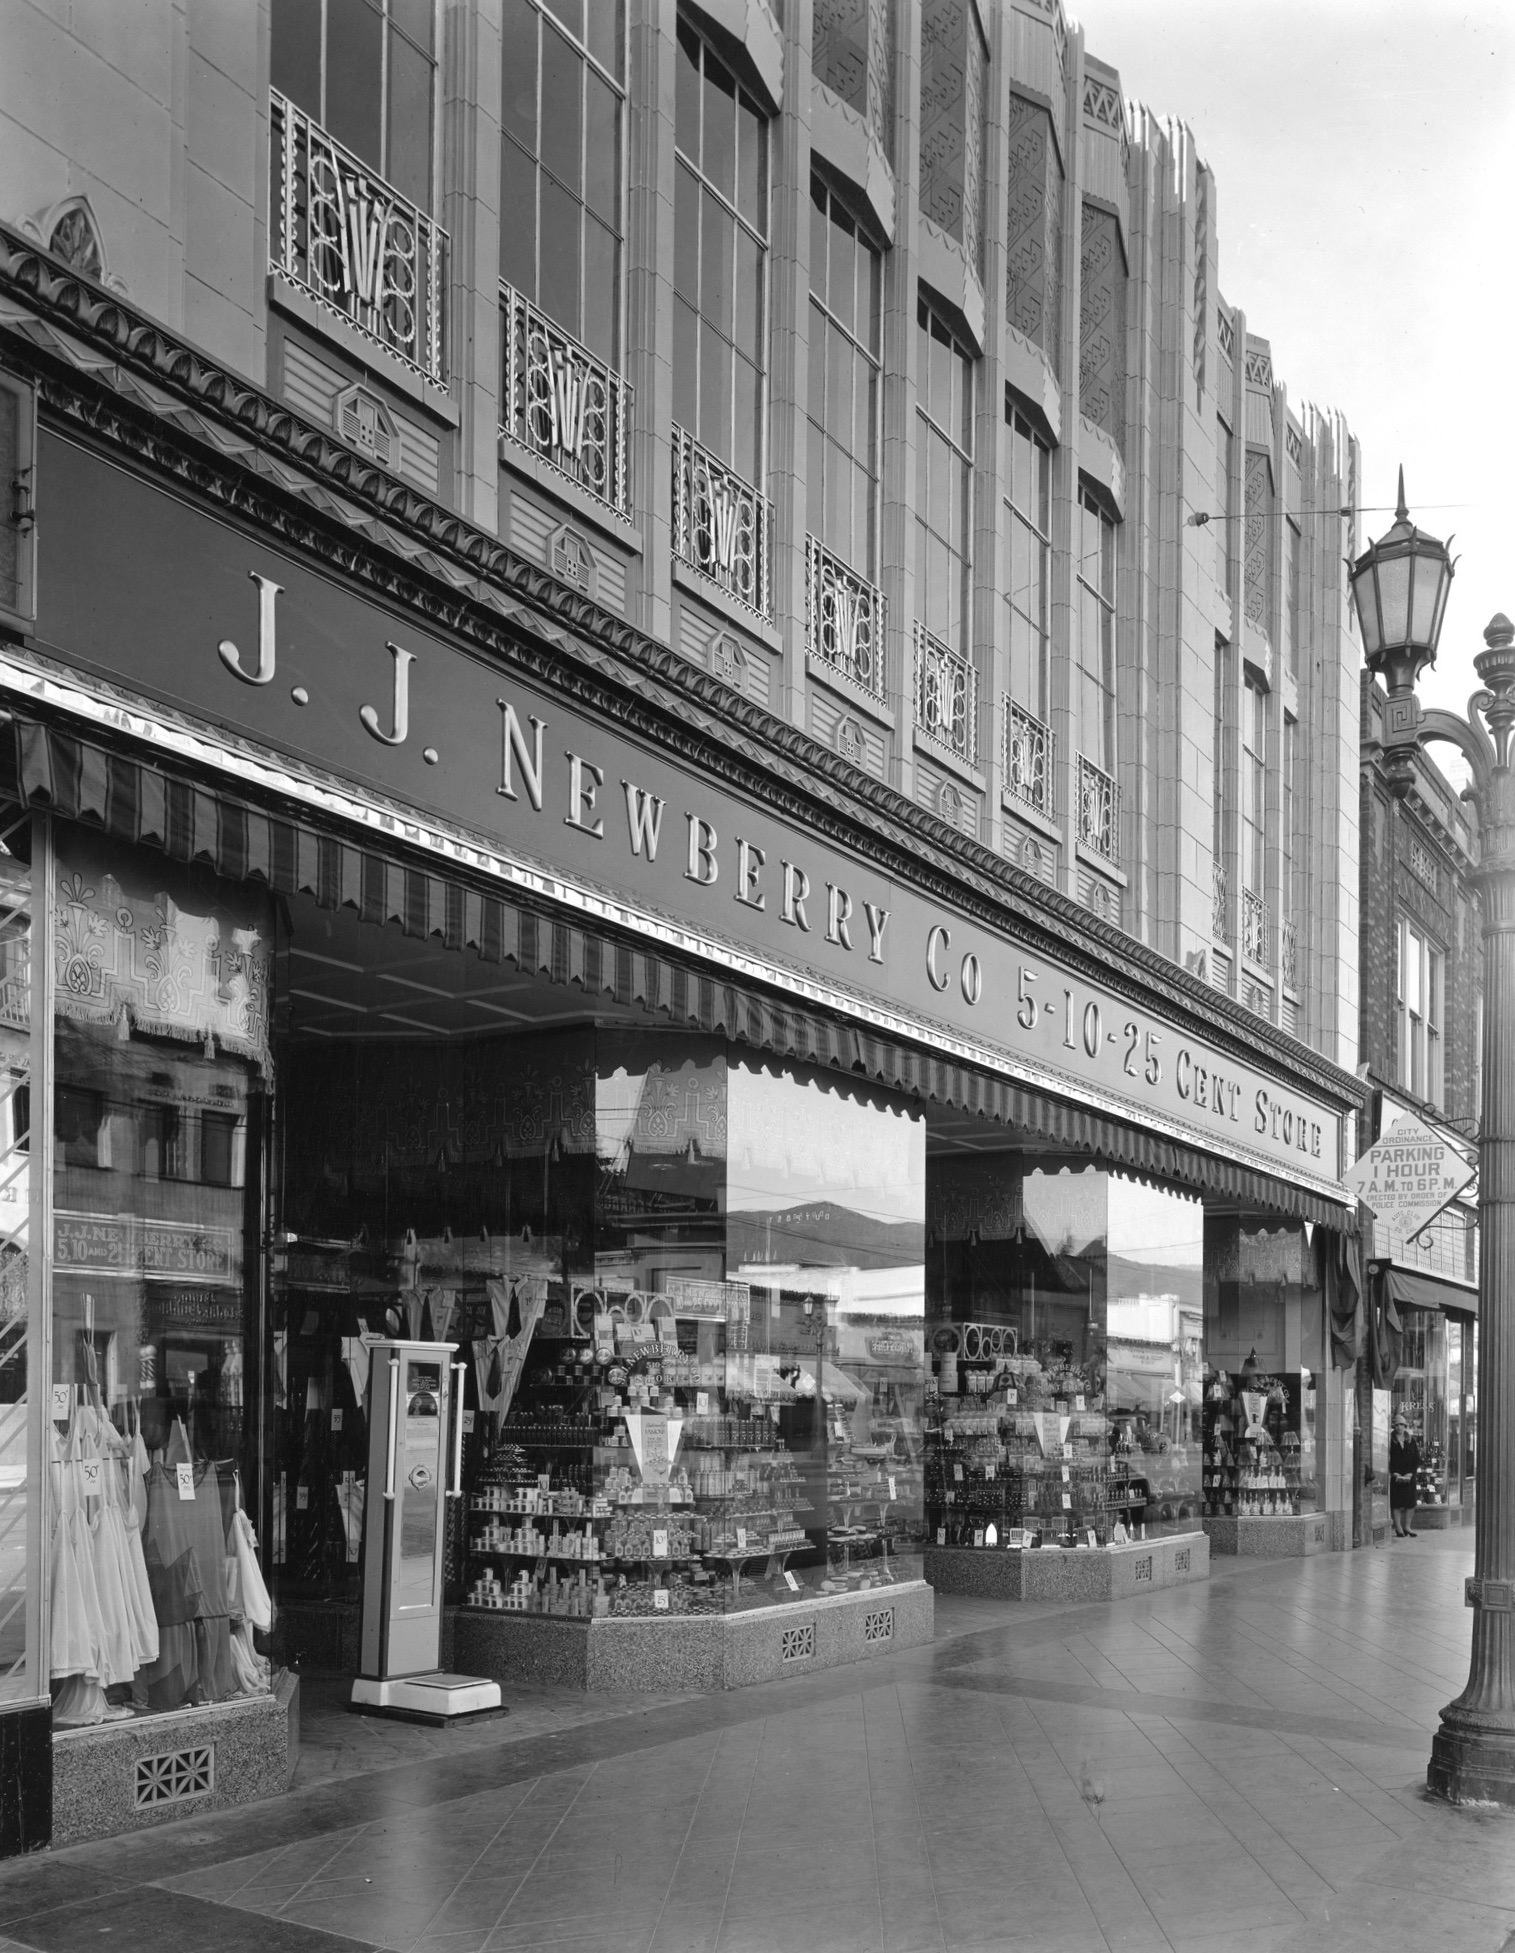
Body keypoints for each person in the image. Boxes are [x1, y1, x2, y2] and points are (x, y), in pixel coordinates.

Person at [1389, 1412, 1421, 1538]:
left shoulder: (1411, 1440)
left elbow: (1416, 1459)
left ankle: (1407, 1526)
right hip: (1396, 1476)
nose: (1399, 1427)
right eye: (1397, 1425)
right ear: (1394, 1426)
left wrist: (1411, 1473)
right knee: (1396, 1503)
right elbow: (1386, 1458)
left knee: (1410, 1502)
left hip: (1409, 1477)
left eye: (1401, 1425)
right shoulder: (1390, 1440)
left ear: (1405, 1426)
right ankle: (1399, 1528)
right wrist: (1394, 1472)